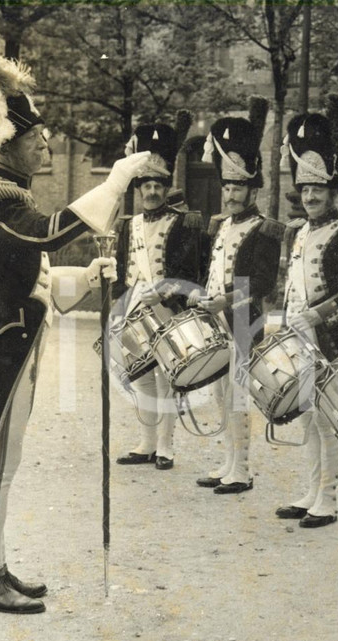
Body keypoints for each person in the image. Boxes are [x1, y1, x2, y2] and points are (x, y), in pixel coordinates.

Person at [0, 15, 159, 614]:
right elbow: (50, 234)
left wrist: (88, 278)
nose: (45, 145)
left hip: (9, 344)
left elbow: (37, 277)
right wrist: (114, 182)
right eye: (35, 139)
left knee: (4, 464)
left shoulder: (9, 194)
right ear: (6, 141)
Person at [274, 93, 338, 528]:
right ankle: (310, 490)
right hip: (298, 338)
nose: (311, 196)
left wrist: (317, 317)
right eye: (306, 188)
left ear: (334, 190)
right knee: (307, 420)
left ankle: (328, 499)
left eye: (319, 189)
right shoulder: (297, 233)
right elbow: (290, 288)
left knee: (328, 418)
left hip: (330, 338)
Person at [193, 96, 283, 494]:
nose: (229, 195)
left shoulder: (266, 229)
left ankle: (242, 470)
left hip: (245, 323)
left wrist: (225, 302)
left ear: (252, 190)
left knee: (239, 397)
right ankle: (227, 461)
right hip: (214, 321)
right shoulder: (220, 225)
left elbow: (263, 283)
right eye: (226, 187)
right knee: (219, 394)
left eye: (237, 188)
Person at [111, 114, 211, 472]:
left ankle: (166, 448)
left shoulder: (184, 223)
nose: (152, 192)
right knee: (139, 376)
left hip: (167, 311)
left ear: (167, 187)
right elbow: (121, 272)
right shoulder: (128, 226)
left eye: (158, 186)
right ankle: (146, 442)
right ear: (138, 190)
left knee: (169, 378)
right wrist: (117, 306)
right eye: (146, 186)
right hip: (133, 311)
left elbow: (190, 272)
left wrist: (168, 297)